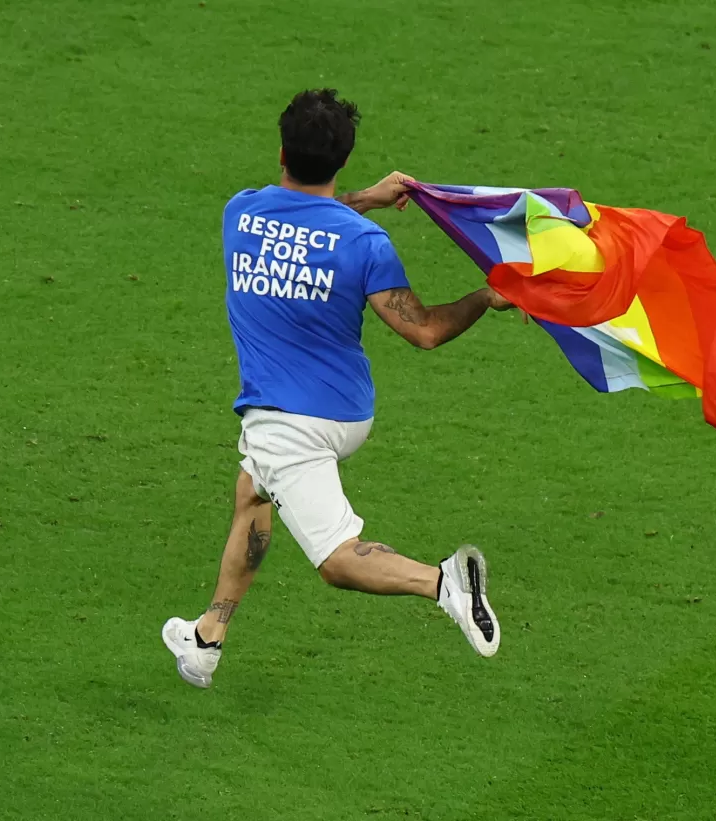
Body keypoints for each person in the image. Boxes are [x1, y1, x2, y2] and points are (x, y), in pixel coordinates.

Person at [162, 88, 514, 688]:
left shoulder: (240, 212)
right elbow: (423, 331)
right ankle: (207, 639)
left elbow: (302, 218)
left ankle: (444, 582)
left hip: (287, 422)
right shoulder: (363, 244)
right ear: (343, 161)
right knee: (252, 494)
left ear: (281, 150)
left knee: (336, 561)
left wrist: (362, 202)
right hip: (346, 410)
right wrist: (485, 295)